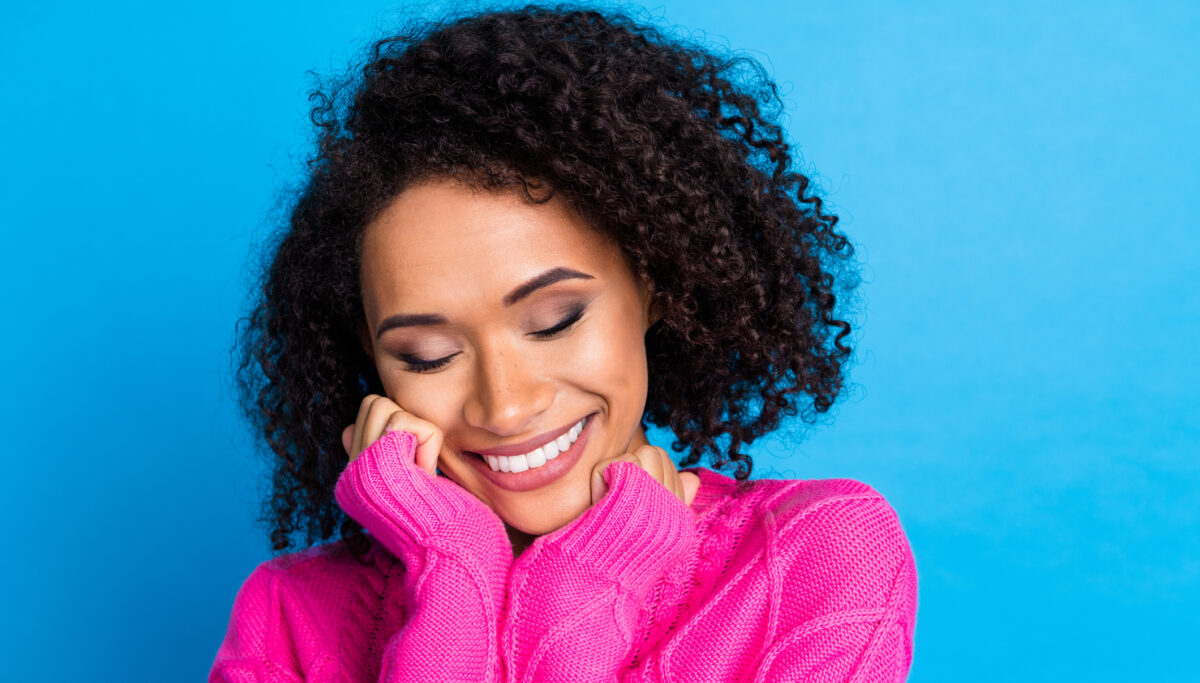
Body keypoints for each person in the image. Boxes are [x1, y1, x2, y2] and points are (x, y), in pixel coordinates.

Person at [211, 4, 918, 682]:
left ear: (653, 280)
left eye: (555, 320)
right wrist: (452, 569)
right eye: (427, 355)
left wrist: (589, 580)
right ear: (372, 359)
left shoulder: (819, 557)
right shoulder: (289, 615)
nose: (507, 405)